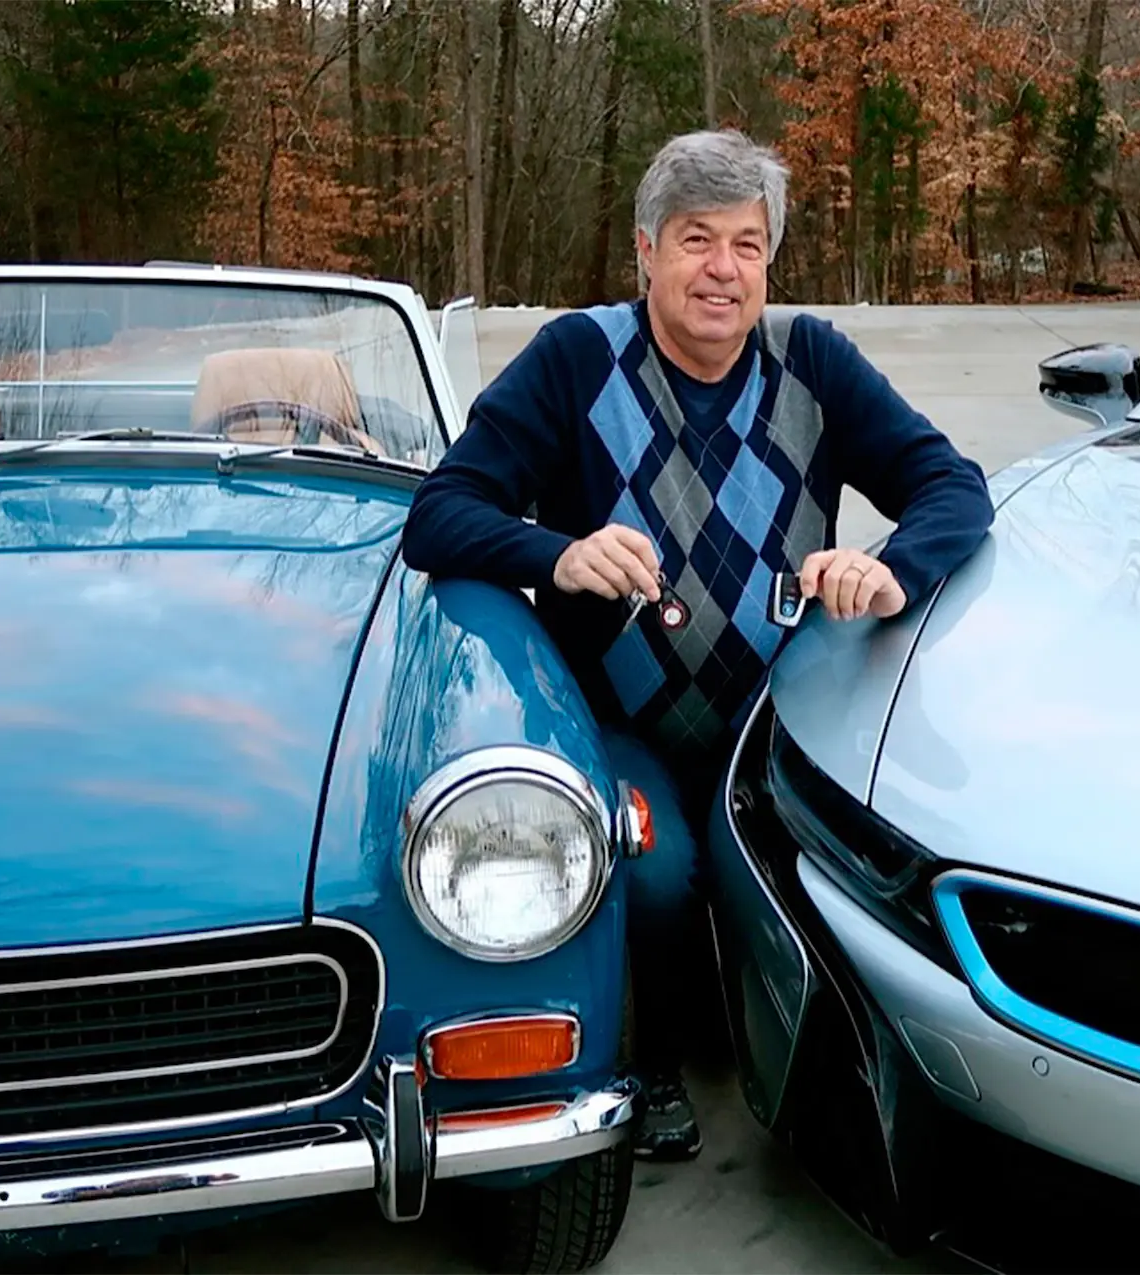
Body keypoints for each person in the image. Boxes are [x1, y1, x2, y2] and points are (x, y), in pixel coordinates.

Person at [400, 129, 993, 1161]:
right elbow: (439, 514)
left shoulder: (812, 362)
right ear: (645, 248)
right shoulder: (577, 359)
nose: (724, 270)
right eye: (697, 240)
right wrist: (558, 552)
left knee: (788, 863)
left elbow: (953, 487)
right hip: (616, 722)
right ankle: (651, 1058)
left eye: (748, 246)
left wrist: (891, 568)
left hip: (775, 720)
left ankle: (827, 1063)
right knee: (663, 872)